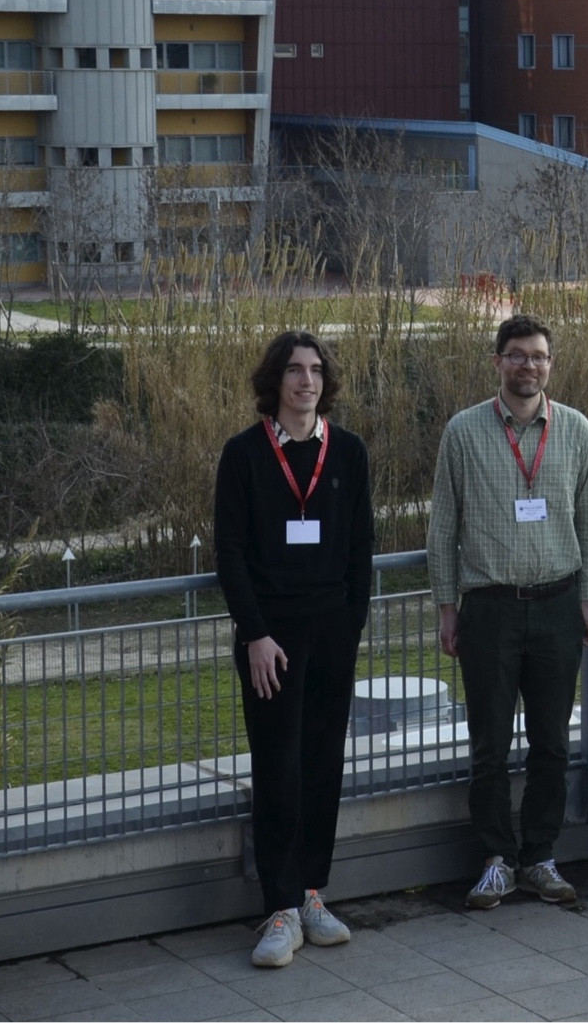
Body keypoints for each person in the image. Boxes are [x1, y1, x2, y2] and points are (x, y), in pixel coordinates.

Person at [429, 315, 588, 910]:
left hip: (557, 604)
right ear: (498, 361)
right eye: (516, 356)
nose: (528, 365)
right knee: (490, 744)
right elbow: (442, 528)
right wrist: (447, 608)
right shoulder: (464, 430)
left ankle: (541, 857)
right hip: (490, 610)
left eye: (538, 356)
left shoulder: (577, 429)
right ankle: (498, 859)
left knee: (552, 741)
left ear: (550, 364)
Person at [215, 332, 374, 969]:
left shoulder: (350, 453)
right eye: (293, 371)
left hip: (331, 634)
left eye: (314, 371)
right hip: (270, 640)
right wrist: (254, 633)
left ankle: (312, 893)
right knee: (277, 767)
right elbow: (230, 551)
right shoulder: (244, 455)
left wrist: (351, 624)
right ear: (275, 381)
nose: (305, 381)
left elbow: (361, 547)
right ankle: (278, 908)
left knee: (323, 765)